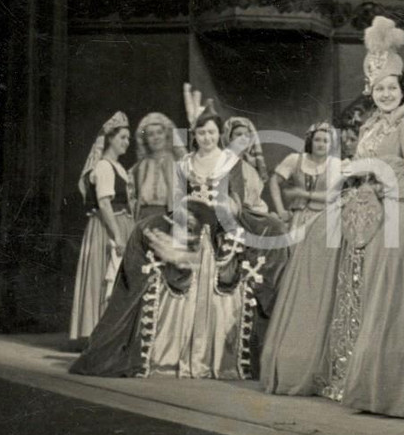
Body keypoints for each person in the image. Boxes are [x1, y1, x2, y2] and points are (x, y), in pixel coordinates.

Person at [261, 16, 404, 418]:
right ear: (371, 93)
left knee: (388, 273)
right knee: (318, 242)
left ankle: (379, 380)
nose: (386, 94)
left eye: (391, 88)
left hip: (392, 205)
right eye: (379, 89)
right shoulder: (370, 125)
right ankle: (337, 371)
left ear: (402, 89)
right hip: (358, 207)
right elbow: (357, 164)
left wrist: (384, 172)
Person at [70, 103, 290, 379]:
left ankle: (225, 358)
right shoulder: (184, 163)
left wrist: (220, 207)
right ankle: (163, 353)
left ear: (218, 134)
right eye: (201, 133)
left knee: (272, 233)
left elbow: (237, 201)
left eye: (211, 133)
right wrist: (188, 208)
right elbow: (174, 205)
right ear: (195, 135)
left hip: (223, 227)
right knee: (143, 234)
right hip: (189, 225)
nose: (206, 138)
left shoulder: (230, 162)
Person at [70, 112, 136, 342]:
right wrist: (117, 235)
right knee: (105, 276)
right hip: (107, 228)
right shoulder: (105, 167)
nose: (127, 142)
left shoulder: (117, 167)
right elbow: (105, 203)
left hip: (121, 224)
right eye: (122, 138)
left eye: (128, 138)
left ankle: (111, 334)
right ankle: (99, 334)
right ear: (110, 140)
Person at [270, 122, 336, 239]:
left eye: (326, 141)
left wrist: (301, 193)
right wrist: (281, 211)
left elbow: (332, 195)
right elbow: (274, 181)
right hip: (298, 219)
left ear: (331, 145)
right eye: (317, 140)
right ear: (310, 141)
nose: (321, 144)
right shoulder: (295, 160)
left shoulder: (335, 164)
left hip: (324, 220)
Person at [129, 112, 187, 222]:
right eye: (151, 134)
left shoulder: (176, 163)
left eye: (159, 132)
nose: (156, 137)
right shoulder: (141, 166)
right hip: (144, 218)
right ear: (145, 139)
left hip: (168, 217)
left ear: (166, 135)